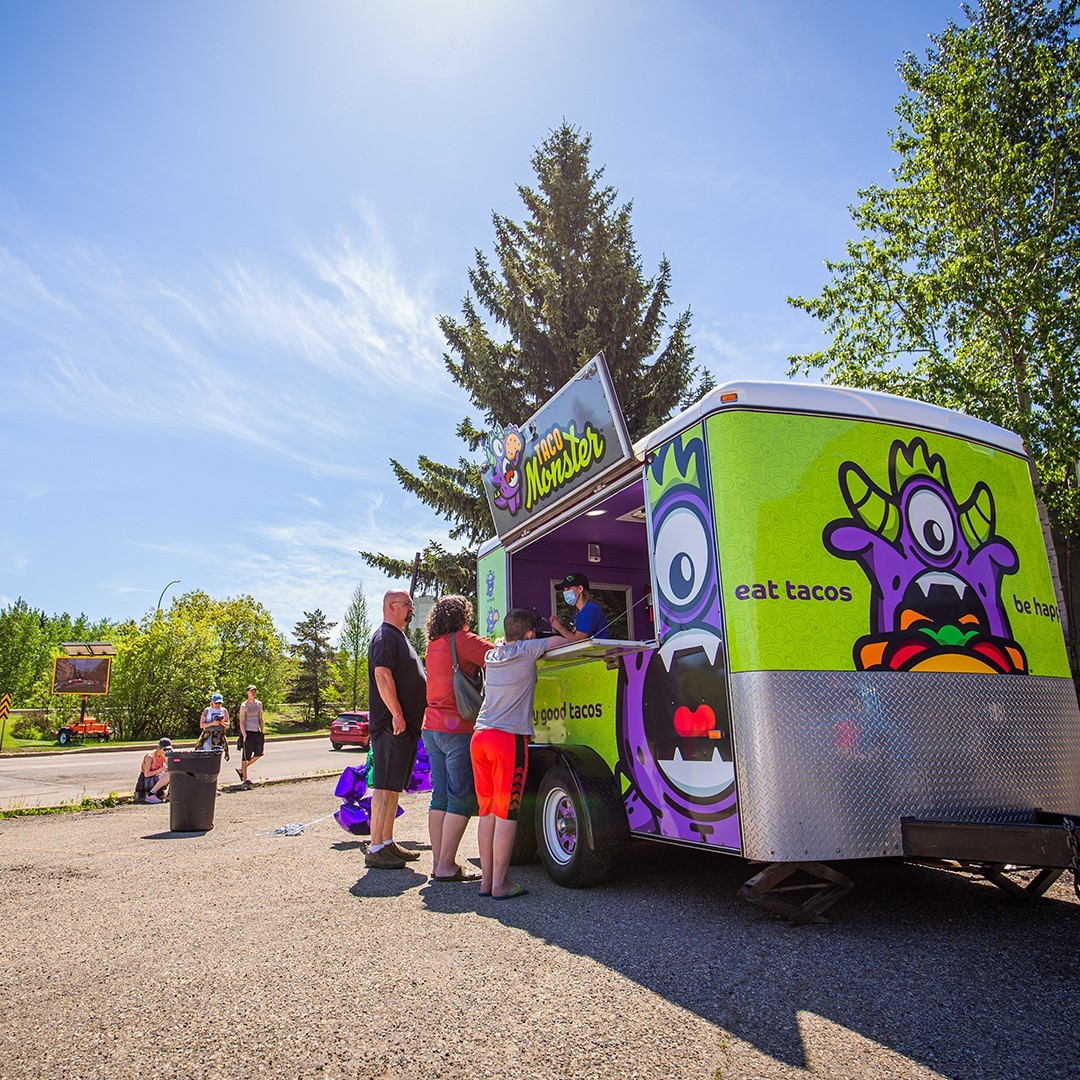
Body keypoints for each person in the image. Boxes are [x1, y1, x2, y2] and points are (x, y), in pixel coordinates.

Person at [471, 608, 562, 899]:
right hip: (507, 740)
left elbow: (501, 644)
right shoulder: (528, 649)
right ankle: (501, 885)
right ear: (529, 633)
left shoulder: (492, 655)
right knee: (507, 815)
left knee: (487, 813)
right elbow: (561, 643)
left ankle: (487, 882)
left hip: (480, 736)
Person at [422, 595, 491, 882]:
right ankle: (446, 865)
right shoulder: (463, 640)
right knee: (461, 798)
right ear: (463, 615)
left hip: (431, 728)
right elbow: (497, 655)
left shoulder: (433, 645)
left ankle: (439, 862)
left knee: (439, 797)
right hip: (457, 729)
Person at [365, 590, 427, 870]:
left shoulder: (398, 636)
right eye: (407, 605)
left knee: (393, 788)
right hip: (392, 726)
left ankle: (387, 842)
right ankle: (376, 847)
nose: (411, 609)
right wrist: (398, 714)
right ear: (391, 607)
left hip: (404, 728)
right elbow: (382, 675)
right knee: (384, 787)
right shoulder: (386, 636)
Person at [550, 571, 610, 641]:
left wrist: (559, 627)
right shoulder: (577, 612)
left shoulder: (590, 610)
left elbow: (577, 640)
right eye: (564, 589)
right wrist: (560, 626)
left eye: (568, 588)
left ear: (580, 589)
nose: (565, 592)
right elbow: (572, 636)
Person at [235, 685, 265, 787]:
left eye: (255, 691)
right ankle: (245, 778)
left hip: (257, 732)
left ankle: (241, 769)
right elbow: (242, 721)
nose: (253, 692)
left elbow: (260, 718)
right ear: (247, 692)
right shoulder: (244, 706)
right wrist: (244, 734)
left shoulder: (259, 704)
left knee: (259, 754)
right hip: (248, 732)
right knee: (246, 757)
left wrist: (262, 730)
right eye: (252, 691)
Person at [196, 692, 231, 757]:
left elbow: (228, 725)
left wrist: (222, 723)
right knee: (207, 753)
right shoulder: (207, 710)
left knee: (217, 755)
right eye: (216, 703)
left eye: (220, 703)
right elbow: (201, 725)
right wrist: (212, 723)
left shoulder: (224, 710)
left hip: (219, 735)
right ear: (212, 702)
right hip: (209, 735)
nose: (218, 705)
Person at [138, 737, 172, 803]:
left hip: (155, 779)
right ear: (159, 748)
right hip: (146, 781)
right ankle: (151, 794)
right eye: (165, 749)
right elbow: (146, 774)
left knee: (172, 773)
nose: (166, 752)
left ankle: (169, 794)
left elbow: (169, 766)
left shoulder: (163, 756)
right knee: (168, 775)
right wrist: (161, 769)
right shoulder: (150, 757)